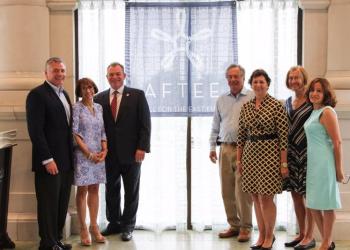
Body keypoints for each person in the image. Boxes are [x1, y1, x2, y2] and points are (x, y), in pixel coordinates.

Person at [94, 62, 151, 241]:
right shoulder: (99, 98)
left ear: (124, 76)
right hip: (108, 154)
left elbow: (145, 124)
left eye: (118, 74)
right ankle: (114, 223)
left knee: (131, 190)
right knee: (111, 189)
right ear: (107, 77)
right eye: (111, 75)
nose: (115, 77)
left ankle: (128, 226)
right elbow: (96, 127)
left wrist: (142, 148)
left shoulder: (137, 95)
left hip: (132, 153)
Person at [236, 69, 289, 250]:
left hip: (270, 156)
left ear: (268, 84)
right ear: (251, 84)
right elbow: (241, 137)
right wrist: (239, 161)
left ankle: (269, 235)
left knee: (266, 198)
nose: (258, 85)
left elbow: (284, 137)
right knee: (254, 197)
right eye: (255, 82)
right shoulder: (246, 107)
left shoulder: (276, 105)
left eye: (262, 82)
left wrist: (283, 163)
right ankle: (261, 235)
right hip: (250, 155)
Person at [26, 57, 73, 250]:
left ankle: (57, 240)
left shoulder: (65, 94)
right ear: (46, 73)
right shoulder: (37, 95)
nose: (60, 74)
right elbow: (36, 131)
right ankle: (47, 243)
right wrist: (47, 159)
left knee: (61, 204)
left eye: (62, 70)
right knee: (48, 205)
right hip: (49, 162)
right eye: (55, 70)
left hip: (66, 161)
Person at [209, 64, 254, 242]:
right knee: (226, 190)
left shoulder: (252, 96)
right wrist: (212, 147)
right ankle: (234, 225)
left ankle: (246, 227)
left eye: (236, 76)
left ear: (243, 78)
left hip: (246, 149)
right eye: (230, 77)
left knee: (242, 191)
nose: (233, 80)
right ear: (227, 79)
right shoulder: (221, 99)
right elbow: (215, 125)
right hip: (225, 148)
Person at [304, 78, 344, 250]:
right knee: (313, 204)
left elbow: (337, 142)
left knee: (327, 204)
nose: (314, 93)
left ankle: (326, 242)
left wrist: (338, 169)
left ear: (325, 94)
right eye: (312, 90)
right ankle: (327, 241)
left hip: (325, 164)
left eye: (319, 90)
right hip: (313, 164)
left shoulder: (327, 112)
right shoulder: (313, 111)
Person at [283, 66, 316, 250]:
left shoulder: (312, 100)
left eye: (297, 77)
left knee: (308, 195)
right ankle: (302, 232)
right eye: (291, 78)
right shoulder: (287, 102)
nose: (294, 81)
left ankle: (310, 236)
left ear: (304, 79)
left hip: (308, 153)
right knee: (295, 196)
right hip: (291, 154)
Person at [72, 78, 107, 246]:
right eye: (84, 88)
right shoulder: (76, 107)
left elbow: (102, 131)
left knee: (95, 189)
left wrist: (104, 150)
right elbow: (75, 133)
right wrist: (88, 153)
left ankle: (95, 227)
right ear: (80, 90)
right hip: (83, 154)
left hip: (99, 154)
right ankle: (83, 228)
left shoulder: (99, 107)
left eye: (91, 87)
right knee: (83, 190)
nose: (88, 90)